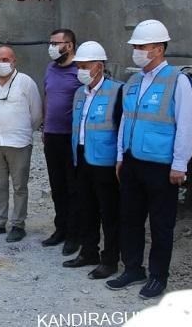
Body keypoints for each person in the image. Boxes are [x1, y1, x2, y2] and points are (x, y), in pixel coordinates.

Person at [106, 20, 192, 300]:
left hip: (161, 166)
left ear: (158, 48)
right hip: (132, 163)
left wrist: (180, 164)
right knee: (130, 219)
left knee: (160, 224)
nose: (136, 51)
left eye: (141, 47)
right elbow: (124, 122)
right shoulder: (133, 81)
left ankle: (158, 276)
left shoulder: (177, 80)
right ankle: (133, 268)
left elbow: (186, 125)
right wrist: (121, 156)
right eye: (135, 46)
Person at [63, 42, 122, 280]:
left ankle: (110, 260)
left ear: (99, 66)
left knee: (109, 213)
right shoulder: (80, 93)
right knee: (86, 208)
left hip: (106, 163)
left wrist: (120, 160)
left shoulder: (117, 91)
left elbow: (121, 129)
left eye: (85, 66)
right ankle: (89, 252)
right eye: (79, 66)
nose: (80, 70)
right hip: (83, 158)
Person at [0, 46, 42, 242]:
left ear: (14, 61)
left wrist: (22, 131)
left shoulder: (25, 82)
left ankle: (18, 225)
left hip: (18, 142)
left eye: (5, 59)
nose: (1, 63)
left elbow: (37, 113)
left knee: (19, 186)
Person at [42, 28, 83, 255]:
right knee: (57, 186)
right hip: (52, 135)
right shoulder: (51, 68)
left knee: (73, 187)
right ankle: (61, 229)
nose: (51, 47)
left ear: (69, 45)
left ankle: (75, 234)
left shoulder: (80, 69)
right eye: (50, 42)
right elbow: (47, 96)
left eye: (55, 43)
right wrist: (44, 126)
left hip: (72, 137)